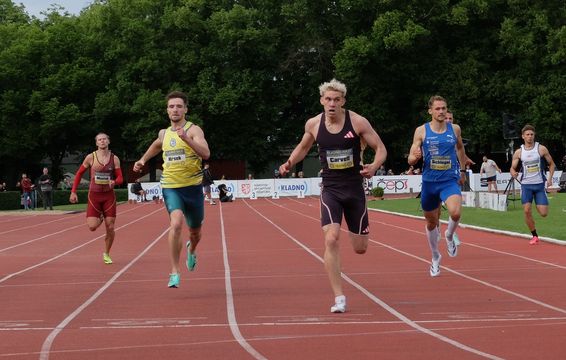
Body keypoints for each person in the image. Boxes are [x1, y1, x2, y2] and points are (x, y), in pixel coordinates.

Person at [279, 78, 387, 313]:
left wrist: (374, 166)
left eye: (336, 100)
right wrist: (289, 163)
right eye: (328, 99)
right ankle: (339, 297)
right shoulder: (314, 124)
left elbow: (381, 148)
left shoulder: (357, 122)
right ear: (321, 101)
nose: (332, 104)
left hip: (355, 189)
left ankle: (352, 229)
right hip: (331, 189)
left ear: (343, 102)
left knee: (360, 248)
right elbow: (303, 147)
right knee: (330, 238)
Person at [133, 91, 211, 288]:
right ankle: (175, 271)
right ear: (167, 111)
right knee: (176, 224)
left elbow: (206, 154)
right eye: (171, 106)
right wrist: (143, 159)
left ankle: (191, 251)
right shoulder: (164, 133)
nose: (175, 109)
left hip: (193, 188)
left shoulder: (194, 130)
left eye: (178, 106)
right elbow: (156, 145)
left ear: (185, 109)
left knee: (195, 233)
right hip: (171, 187)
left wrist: (187, 139)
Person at [408, 95, 470, 277]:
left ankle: (449, 236)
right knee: (431, 222)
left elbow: (460, 148)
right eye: (437, 109)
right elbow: (411, 157)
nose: (441, 111)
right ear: (430, 111)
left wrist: (463, 169)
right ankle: (435, 256)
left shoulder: (455, 129)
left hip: (449, 181)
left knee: (456, 212)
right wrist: (415, 157)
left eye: (444, 108)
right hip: (429, 183)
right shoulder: (421, 131)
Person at [69, 133, 123, 264]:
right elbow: (79, 173)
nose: (102, 141)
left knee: (110, 227)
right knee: (92, 227)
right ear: (96, 143)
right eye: (100, 139)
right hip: (94, 196)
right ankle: (101, 216)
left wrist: (114, 182)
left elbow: (120, 178)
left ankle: (107, 253)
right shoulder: (90, 157)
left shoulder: (114, 159)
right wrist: (73, 191)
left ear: (108, 141)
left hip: (109, 196)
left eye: (104, 139)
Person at [509, 124, 555, 245]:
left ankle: (537, 202)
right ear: (523, 136)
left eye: (532, 134)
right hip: (526, 186)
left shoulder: (541, 149)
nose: (530, 137)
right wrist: (514, 173)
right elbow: (512, 168)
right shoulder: (519, 152)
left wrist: (550, 179)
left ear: (534, 135)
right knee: (526, 211)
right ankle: (534, 236)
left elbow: (552, 164)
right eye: (527, 135)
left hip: (539, 185)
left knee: (544, 213)